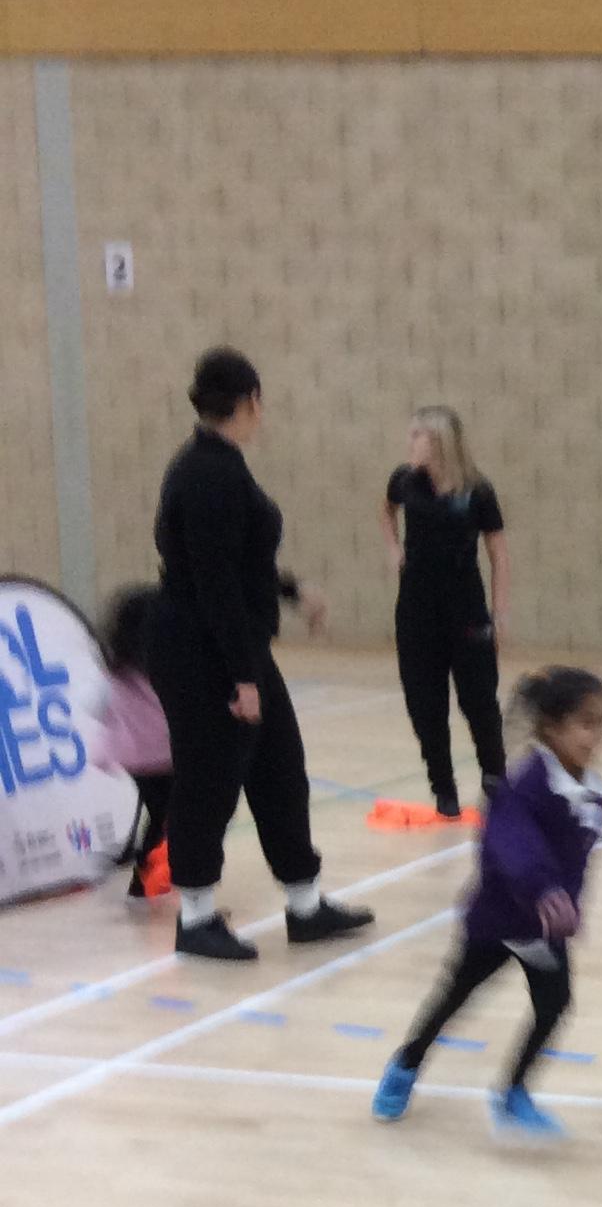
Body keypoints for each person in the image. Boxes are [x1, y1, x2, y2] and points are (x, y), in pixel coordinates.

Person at [147, 348, 373, 962]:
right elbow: (215, 584)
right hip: (203, 651)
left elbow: (240, 563)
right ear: (250, 401)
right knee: (209, 779)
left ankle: (306, 905)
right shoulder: (207, 474)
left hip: (231, 644)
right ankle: (196, 919)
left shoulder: (218, 465)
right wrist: (243, 678)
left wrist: (293, 592)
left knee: (279, 769)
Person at [372, 668, 602, 1140]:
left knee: (554, 1004)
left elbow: (577, 862)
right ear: (552, 727)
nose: (596, 735)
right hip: (499, 919)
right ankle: (407, 1063)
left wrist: (568, 906)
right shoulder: (524, 786)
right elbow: (509, 845)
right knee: (455, 997)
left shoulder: (592, 794)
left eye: (600, 723)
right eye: (586, 723)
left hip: (543, 930)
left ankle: (513, 1093)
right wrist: (542, 889)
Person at [381, 405, 509, 819]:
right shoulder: (404, 481)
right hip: (416, 609)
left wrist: (499, 614)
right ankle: (443, 787)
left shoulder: (477, 490)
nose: (409, 442)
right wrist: (393, 548)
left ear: (438, 441)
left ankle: (494, 778)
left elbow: (499, 555)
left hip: (466, 608)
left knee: (479, 700)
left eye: (416, 435)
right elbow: (386, 509)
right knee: (424, 703)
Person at [94, 584, 173, 900]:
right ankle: (147, 880)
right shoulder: (162, 669)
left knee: (160, 814)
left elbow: (98, 706)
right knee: (170, 816)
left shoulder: (118, 670)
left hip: (135, 760)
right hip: (164, 756)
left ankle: (149, 876)